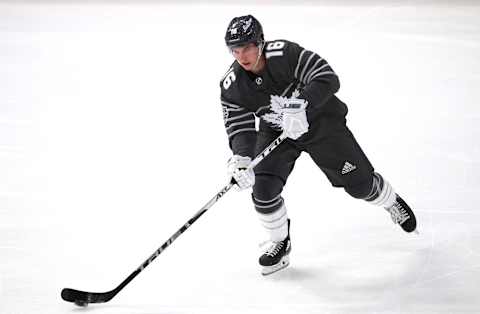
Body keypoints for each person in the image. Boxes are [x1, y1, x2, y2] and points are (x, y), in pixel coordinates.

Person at [220, 15, 417, 276]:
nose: (242, 55)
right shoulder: (232, 85)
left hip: (322, 123)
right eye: (235, 49)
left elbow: (327, 76)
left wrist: (300, 104)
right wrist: (242, 158)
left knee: (360, 186)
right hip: (278, 131)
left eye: (247, 47)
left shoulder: (284, 54)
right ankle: (280, 241)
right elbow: (239, 124)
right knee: (263, 189)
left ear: (261, 43)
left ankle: (390, 201)